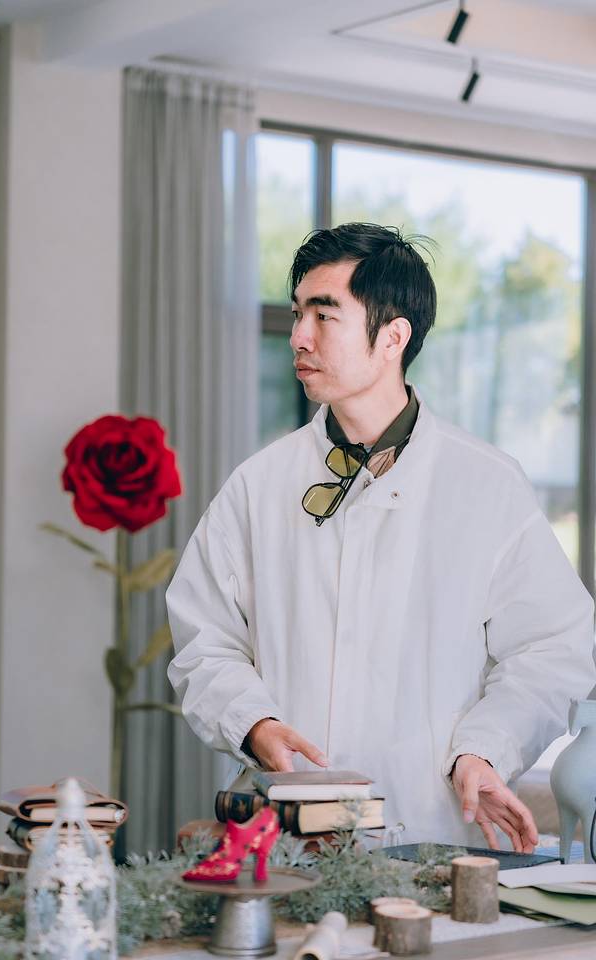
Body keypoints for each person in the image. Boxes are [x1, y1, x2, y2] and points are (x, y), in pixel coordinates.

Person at [167, 222, 596, 850]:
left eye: (324, 315)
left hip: (436, 832)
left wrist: (485, 749)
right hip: (291, 841)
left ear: (393, 336)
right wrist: (253, 723)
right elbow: (204, 639)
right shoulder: (258, 484)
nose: (298, 336)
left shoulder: (487, 484)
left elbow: (552, 647)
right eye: (297, 313)